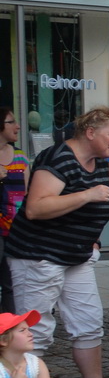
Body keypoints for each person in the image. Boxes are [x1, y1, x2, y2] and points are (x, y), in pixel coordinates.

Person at [7, 107, 109, 378]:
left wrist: (90, 236)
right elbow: (37, 207)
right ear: (90, 133)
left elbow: (102, 203)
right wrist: (87, 196)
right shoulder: (58, 158)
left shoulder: (98, 162)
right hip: (39, 256)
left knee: (88, 324)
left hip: (76, 256)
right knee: (35, 331)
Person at [0, 109, 28, 314]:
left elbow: (29, 193)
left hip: (15, 228)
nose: (17, 126)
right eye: (11, 122)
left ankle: (7, 331)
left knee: (12, 283)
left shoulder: (19, 156)